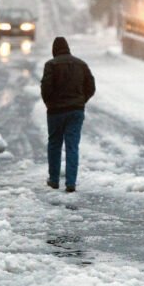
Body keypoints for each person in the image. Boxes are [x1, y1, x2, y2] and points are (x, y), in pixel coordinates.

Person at [41, 37, 96, 193]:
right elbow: (91, 86)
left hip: (55, 112)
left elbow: (46, 88)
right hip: (76, 111)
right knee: (72, 146)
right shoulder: (81, 64)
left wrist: (50, 103)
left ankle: (54, 180)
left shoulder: (50, 65)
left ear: (54, 50)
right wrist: (81, 101)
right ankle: (71, 182)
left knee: (54, 145)